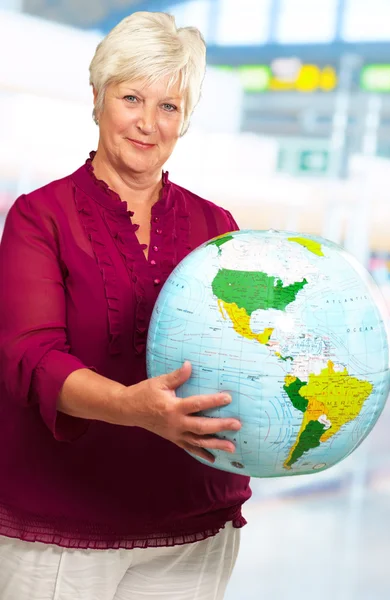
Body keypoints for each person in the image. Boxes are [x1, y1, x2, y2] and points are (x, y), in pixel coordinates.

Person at [0, 11, 251, 600]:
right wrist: (133, 407)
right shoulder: (40, 217)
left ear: (185, 119)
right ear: (97, 97)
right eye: (132, 97)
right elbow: (29, 357)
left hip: (193, 524)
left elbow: (244, 350)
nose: (147, 123)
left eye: (168, 106)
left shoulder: (218, 226)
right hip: (63, 527)